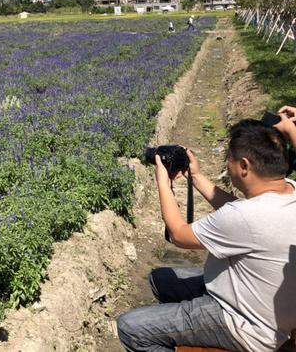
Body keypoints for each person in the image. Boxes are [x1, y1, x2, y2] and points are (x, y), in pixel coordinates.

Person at [117, 118, 296, 352]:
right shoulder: (289, 190)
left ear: (244, 165)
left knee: (131, 327)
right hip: (268, 309)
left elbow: (179, 235)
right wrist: (198, 178)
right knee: (161, 281)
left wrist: (163, 183)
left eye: (228, 159)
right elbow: (242, 211)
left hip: (244, 325)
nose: (227, 165)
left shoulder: (244, 216)